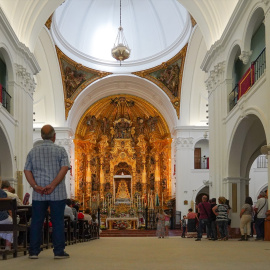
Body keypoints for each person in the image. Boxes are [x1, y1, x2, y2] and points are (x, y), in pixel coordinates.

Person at [24, 124, 70, 259]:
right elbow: (64, 168)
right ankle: (59, 251)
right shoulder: (61, 150)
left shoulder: (33, 151)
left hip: (39, 193)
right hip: (57, 192)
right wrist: (53, 185)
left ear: (42, 136)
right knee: (57, 222)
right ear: (54, 136)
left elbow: (27, 170)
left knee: (37, 221)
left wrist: (35, 186)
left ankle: (33, 251)